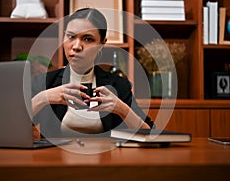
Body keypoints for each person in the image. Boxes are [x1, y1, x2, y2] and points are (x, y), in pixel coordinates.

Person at [31, 8, 153, 137]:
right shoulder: (45, 82)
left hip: (106, 156)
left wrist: (121, 109)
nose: (77, 46)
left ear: (101, 44)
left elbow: (149, 132)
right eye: (71, 36)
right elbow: (13, 128)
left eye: (88, 39)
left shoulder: (118, 85)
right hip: (53, 156)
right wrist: (42, 98)